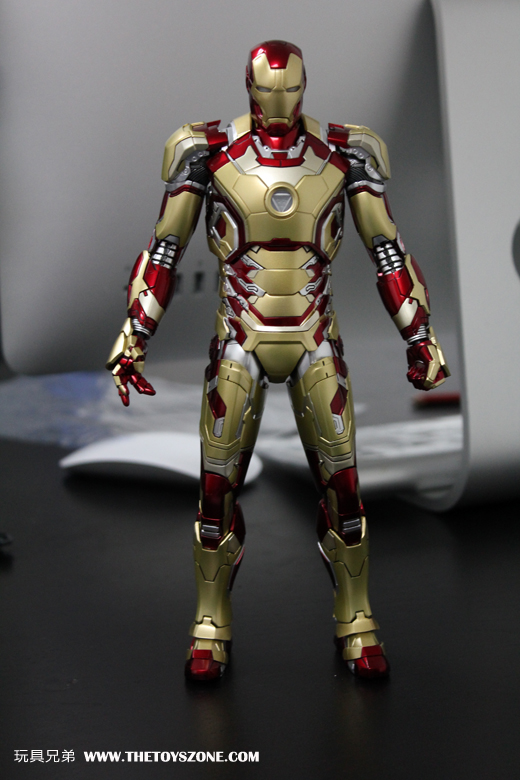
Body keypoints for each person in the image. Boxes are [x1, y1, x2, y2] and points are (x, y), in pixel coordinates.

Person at [106, 40, 449, 681]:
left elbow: (387, 249)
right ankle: (210, 623)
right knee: (215, 492)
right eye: (268, 92)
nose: (279, 104)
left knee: (344, 488)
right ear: (249, 88)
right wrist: (135, 333)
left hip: (316, 336)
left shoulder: (347, 152)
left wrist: (420, 336)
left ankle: (356, 618)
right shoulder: (205, 150)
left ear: (304, 87)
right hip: (239, 337)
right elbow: (164, 249)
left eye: (289, 91)